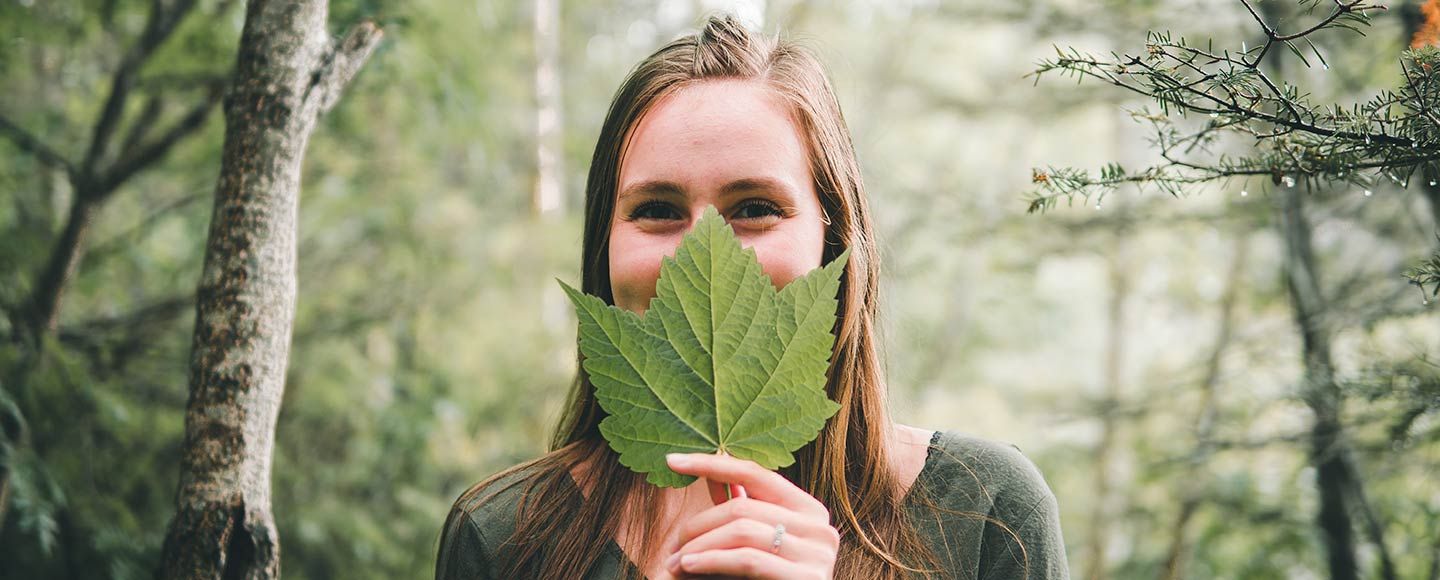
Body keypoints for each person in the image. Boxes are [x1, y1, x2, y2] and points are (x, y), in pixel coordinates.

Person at [436, 14, 1068, 580]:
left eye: (756, 209)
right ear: (603, 243)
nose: (704, 255)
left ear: (834, 236)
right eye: (656, 210)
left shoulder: (984, 511)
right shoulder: (505, 538)